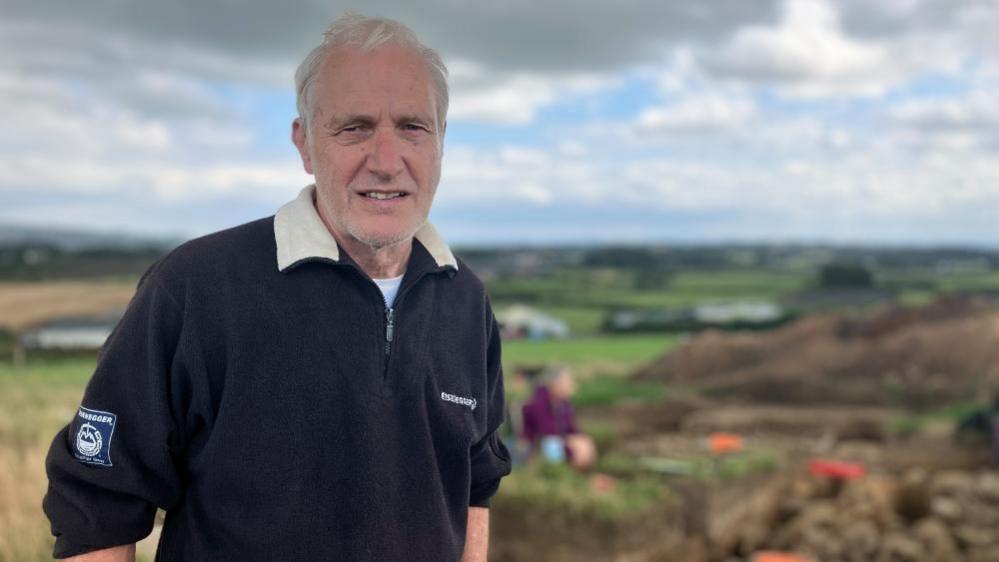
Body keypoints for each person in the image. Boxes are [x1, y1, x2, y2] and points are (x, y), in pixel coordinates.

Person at [43, 14, 511, 562]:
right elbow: (97, 510)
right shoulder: (196, 290)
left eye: (413, 127)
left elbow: (475, 483)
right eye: (354, 127)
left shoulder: (466, 301)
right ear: (305, 144)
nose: (386, 162)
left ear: (440, 144)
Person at [520, 365, 596, 469]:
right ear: (555, 384)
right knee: (553, 445)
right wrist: (569, 441)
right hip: (536, 444)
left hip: (556, 440)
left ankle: (573, 474)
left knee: (584, 442)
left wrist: (580, 439)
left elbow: (572, 428)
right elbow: (546, 431)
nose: (571, 386)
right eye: (567, 382)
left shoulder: (563, 403)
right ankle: (553, 471)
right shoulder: (538, 402)